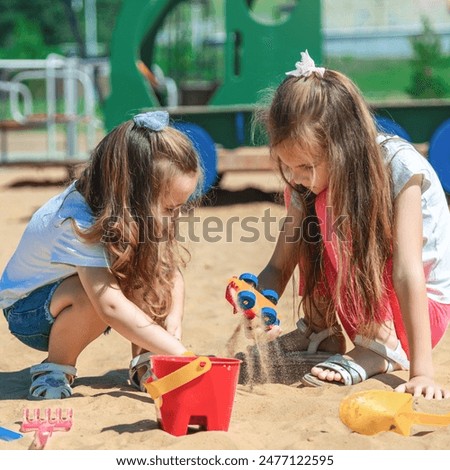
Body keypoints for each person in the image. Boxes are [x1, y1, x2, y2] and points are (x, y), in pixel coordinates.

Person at [252, 51, 450, 399]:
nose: (296, 177)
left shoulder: (398, 167)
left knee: (326, 205)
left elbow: (407, 271)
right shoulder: (307, 183)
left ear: (342, 146)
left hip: (414, 315)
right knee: (309, 212)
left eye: (306, 166)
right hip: (360, 304)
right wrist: (257, 298)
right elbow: (279, 264)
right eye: (288, 165)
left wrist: (422, 372)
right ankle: (320, 330)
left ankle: (379, 348)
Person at [0, 110, 202, 399]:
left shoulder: (132, 210)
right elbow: (111, 307)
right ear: (131, 195)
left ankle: (146, 363)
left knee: (151, 270)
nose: (176, 216)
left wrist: (173, 328)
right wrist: (184, 355)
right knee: (90, 295)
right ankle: (56, 368)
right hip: (30, 311)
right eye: (170, 208)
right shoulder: (76, 221)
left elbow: (170, 272)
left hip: (80, 296)